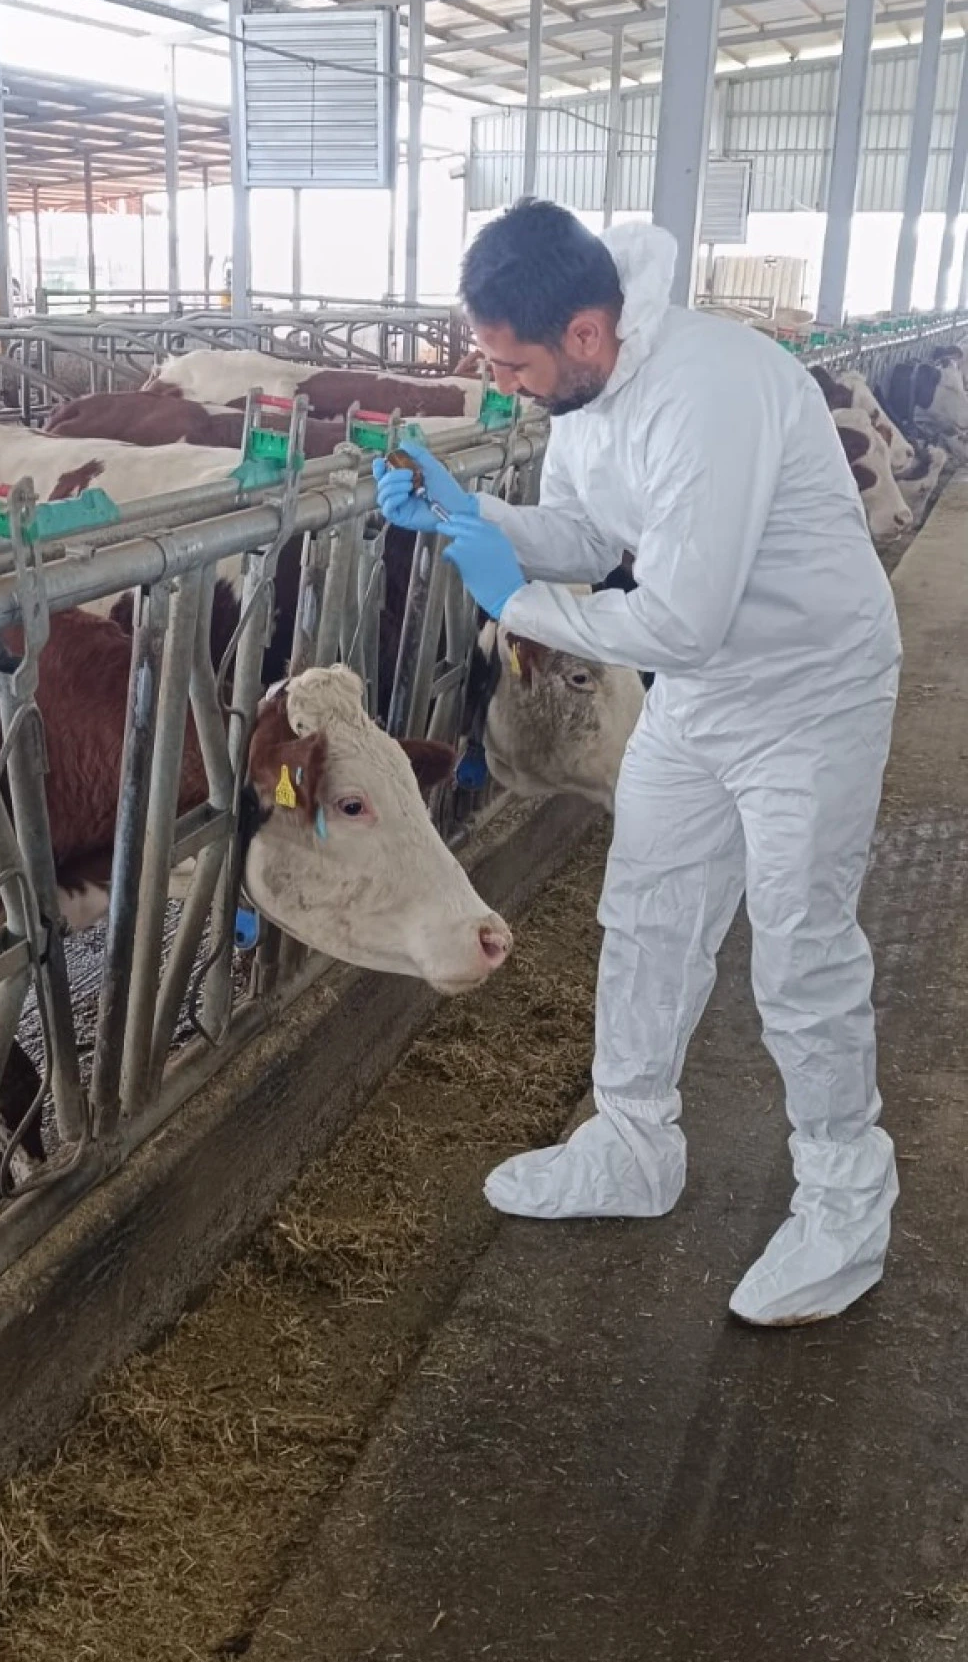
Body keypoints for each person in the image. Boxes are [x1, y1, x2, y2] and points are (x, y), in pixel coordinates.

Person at [375, 202, 902, 1328]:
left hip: (810, 690)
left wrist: (513, 600)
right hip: (703, 695)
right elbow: (590, 536)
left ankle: (846, 1199)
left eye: (512, 366)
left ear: (583, 331)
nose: (503, 386)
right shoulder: (588, 392)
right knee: (648, 909)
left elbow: (682, 620)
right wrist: (479, 516)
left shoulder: (709, 389)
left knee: (800, 943)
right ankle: (630, 1143)